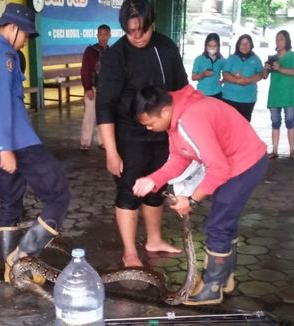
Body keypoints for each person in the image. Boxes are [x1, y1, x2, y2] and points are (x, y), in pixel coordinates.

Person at [132, 85, 268, 305]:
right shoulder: (176, 118)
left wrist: (192, 200)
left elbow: (219, 169)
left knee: (217, 225)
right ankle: (225, 279)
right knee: (225, 219)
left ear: (164, 112)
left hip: (244, 165)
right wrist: (153, 179)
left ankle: (212, 288)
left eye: (150, 124)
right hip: (233, 163)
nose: (149, 129)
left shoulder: (191, 119)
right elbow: (180, 158)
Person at [0, 3, 70, 285]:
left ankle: (11, 270)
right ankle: (21, 258)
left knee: (10, 203)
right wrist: (6, 146)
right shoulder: (4, 56)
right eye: (25, 34)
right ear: (12, 28)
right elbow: (1, 102)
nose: (26, 41)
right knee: (58, 196)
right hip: (19, 143)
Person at [96, 0, 188, 267]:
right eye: (130, 31)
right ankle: (130, 251)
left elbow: (182, 92)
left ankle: (154, 239)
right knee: (129, 191)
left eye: (142, 31)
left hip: (163, 133)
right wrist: (111, 152)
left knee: (156, 187)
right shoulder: (116, 56)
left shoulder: (166, 48)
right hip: (128, 136)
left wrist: (183, 133)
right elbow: (105, 107)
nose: (136, 37)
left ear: (152, 24)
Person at [262, 30, 294, 160]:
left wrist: (279, 68)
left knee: (290, 121)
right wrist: (266, 68)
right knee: (275, 122)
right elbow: (264, 77)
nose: (279, 41)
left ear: (287, 41)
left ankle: (292, 150)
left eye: (281, 39)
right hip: (275, 95)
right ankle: (275, 150)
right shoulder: (273, 58)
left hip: (289, 94)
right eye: (277, 39)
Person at [79, 24, 111, 151]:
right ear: (97, 35)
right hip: (93, 88)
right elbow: (85, 70)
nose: (103, 37)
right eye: (100, 34)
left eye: (105, 34)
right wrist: (88, 88)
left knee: (104, 116)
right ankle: (85, 142)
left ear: (109, 35)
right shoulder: (90, 51)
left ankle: (102, 141)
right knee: (89, 115)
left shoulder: (111, 52)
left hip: (106, 90)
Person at [222, 34, 263, 122]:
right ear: (238, 45)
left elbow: (260, 75)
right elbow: (225, 73)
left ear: (251, 45)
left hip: (248, 99)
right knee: (229, 124)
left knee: (244, 125)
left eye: (247, 44)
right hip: (229, 98)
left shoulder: (256, 60)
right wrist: (237, 81)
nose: (244, 46)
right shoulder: (231, 58)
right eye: (242, 44)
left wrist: (247, 80)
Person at [191, 33, 225, 99]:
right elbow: (193, 77)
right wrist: (203, 74)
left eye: (215, 46)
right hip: (202, 94)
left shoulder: (222, 60)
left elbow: (227, 73)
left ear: (218, 46)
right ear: (206, 46)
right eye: (209, 46)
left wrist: (222, 81)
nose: (212, 48)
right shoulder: (199, 59)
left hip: (217, 93)